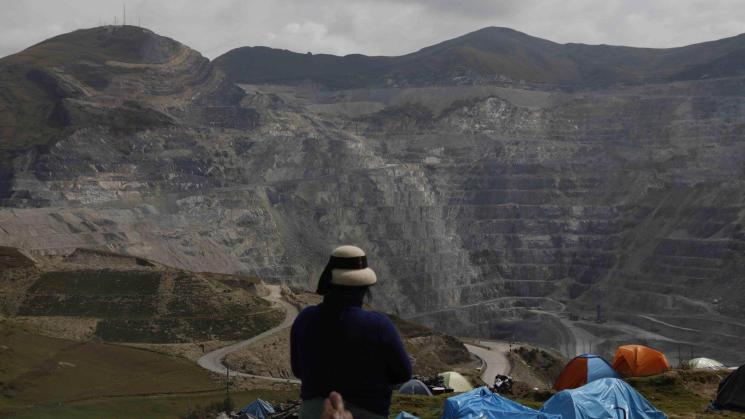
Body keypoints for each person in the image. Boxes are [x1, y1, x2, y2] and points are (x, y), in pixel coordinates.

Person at [291, 245, 412, 419]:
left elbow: (297, 369)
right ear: (363, 289)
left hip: (313, 412)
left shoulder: (304, 319)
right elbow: (403, 373)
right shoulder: (379, 325)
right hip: (367, 412)